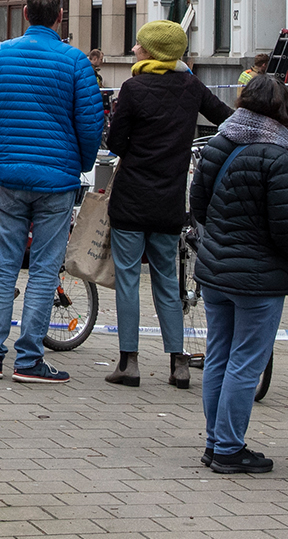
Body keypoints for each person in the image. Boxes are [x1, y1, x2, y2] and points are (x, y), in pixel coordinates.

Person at [0, 0, 103, 384]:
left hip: (8, 178)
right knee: (45, 269)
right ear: (60, 17)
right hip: (56, 181)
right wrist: (77, 164)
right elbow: (92, 124)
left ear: (25, 14)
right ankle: (28, 359)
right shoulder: (75, 63)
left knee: (3, 266)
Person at [190, 73, 288, 473]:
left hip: (215, 269)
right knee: (245, 362)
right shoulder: (278, 154)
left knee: (219, 357)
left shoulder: (218, 142)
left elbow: (199, 207)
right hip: (258, 278)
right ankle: (227, 448)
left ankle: (214, 442)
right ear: (283, 108)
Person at [103, 19, 228, 390]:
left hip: (130, 199)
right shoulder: (191, 87)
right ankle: (179, 363)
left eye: (140, 45)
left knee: (128, 278)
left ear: (153, 51)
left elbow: (116, 144)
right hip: (170, 199)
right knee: (166, 281)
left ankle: (129, 362)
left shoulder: (134, 87)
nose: (135, 50)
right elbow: (226, 118)